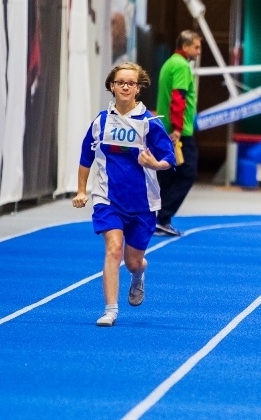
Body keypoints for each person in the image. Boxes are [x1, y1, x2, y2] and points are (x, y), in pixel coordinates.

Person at [72, 62, 175, 327]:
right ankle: (110, 310)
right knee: (114, 248)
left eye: (131, 83)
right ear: (112, 86)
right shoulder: (101, 122)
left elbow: (169, 158)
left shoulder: (150, 123)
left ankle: (139, 274)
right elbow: (86, 158)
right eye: (120, 82)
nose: (125, 87)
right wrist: (82, 190)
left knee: (133, 261)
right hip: (108, 199)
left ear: (138, 88)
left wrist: (155, 164)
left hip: (143, 203)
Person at [155, 30, 201, 236]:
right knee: (187, 173)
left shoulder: (169, 64)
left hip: (164, 128)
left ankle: (158, 219)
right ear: (185, 46)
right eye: (196, 47)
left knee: (167, 175)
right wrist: (178, 128)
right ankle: (163, 216)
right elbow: (178, 98)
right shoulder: (182, 66)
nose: (198, 52)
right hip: (179, 132)